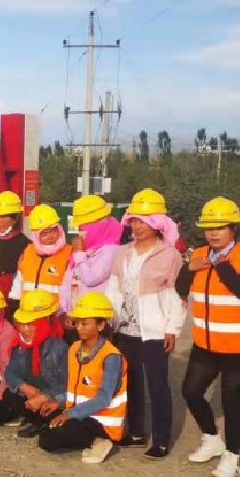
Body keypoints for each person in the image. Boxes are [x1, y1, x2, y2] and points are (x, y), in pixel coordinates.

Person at [177, 197, 240, 477]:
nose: (213, 233)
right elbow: (181, 288)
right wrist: (189, 268)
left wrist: (221, 266)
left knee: (231, 402)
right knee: (191, 392)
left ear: (233, 228)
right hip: (206, 344)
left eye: (220, 227)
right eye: (208, 228)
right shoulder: (200, 254)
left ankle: (232, 455)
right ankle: (212, 439)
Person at [104, 188, 186, 459]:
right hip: (124, 328)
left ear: (158, 223)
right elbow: (113, 289)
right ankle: (137, 432)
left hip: (154, 330)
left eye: (145, 221)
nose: (138, 226)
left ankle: (161, 440)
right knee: (131, 382)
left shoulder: (170, 255)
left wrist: (172, 329)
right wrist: (109, 321)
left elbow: (177, 296)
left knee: (157, 385)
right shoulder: (122, 252)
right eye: (135, 220)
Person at [37, 292, 128, 465]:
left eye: (85, 323)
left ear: (101, 325)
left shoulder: (111, 357)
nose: (79, 327)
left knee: (48, 440)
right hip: (79, 414)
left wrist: (68, 414)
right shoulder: (74, 349)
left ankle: (100, 440)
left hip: (101, 422)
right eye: (78, 322)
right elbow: (76, 388)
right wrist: (58, 403)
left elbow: (103, 399)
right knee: (42, 417)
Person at [0, 289, 67, 432]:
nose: (24, 329)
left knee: (50, 415)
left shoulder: (59, 348)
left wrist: (43, 397)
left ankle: (36, 419)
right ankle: (27, 415)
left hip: (48, 398)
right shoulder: (20, 345)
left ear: (46, 322)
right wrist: (24, 387)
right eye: (22, 324)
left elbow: (66, 385)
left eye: (30, 324)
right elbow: (10, 372)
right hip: (25, 396)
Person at [61, 195, 122, 339]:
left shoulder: (110, 250)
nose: (80, 232)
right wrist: (65, 310)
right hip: (76, 316)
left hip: (94, 321)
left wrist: (80, 253)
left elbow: (91, 278)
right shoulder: (84, 249)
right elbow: (67, 281)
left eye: (83, 227)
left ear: (97, 226)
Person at [9, 204, 73, 311]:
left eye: (53, 231)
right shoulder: (28, 251)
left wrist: (66, 312)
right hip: (28, 311)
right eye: (44, 233)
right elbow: (19, 279)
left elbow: (72, 288)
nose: (50, 236)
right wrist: (14, 301)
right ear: (36, 235)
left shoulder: (69, 253)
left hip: (55, 313)